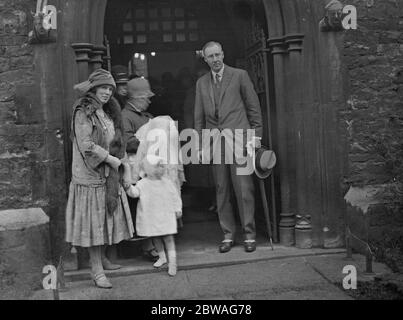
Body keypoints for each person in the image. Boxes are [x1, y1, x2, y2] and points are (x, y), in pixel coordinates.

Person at [65, 68, 134, 289]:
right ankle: (96, 271)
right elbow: (86, 145)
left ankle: (103, 259)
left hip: (106, 174)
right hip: (90, 176)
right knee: (94, 225)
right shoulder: (83, 111)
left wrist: (120, 161)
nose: (106, 92)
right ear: (93, 88)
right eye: (103, 87)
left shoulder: (106, 111)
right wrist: (112, 161)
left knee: (104, 220)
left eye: (110, 88)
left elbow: (112, 138)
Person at [194, 41, 263, 253]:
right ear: (205, 59)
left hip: (240, 140)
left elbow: (253, 108)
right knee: (221, 190)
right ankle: (228, 234)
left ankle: (249, 234)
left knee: (244, 189)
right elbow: (199, 117)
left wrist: (256, 136)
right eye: (210, 57)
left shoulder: (239, 75)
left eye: (217, 55)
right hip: (215, 143)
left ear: (223, 54)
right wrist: (200, 144)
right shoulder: (202, 83)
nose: (215, 60)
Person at [123, 155, 182, 277]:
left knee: (168, 238)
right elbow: (135, 193)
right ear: (150, 169)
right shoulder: (143, 183)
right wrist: (128, 187)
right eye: (159, 166)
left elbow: (174, 196)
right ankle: (162, 257)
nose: (162, 168)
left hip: (166, 214)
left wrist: (177, 208)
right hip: (152, 216)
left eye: (162, 166)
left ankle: (173, 262)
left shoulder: (167, 182)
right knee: (155, 237)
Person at [122, 77, 159, 261]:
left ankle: (151, 242)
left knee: (151, 206)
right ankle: (147, 245)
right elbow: (127, 142)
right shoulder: (125, 116)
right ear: (136, 98)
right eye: (146, 98)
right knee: (142, 207)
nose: (149, 101)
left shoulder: (147, 116)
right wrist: (152, 141)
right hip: (136, 172)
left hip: (149, 169)